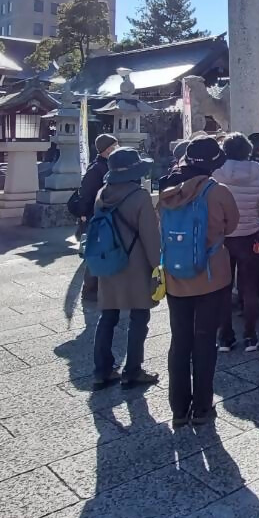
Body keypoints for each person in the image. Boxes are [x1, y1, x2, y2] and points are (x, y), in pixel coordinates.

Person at [157, 136, 240, 426]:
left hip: (175, 274)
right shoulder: (218, 192)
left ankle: (178, 409)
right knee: (205, 339)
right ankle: (203, 407)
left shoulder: (166, 190)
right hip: (211, 273)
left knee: (180, 340)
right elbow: (233, 224)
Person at [88, 147, 163, 390]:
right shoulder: (139, 197)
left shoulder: (102, 194)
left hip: (109, 261)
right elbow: (151, 237)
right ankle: (132, 370)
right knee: (139, 317)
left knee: (107, 315)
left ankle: (102, 369)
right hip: (135, 264)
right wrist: (157, 267)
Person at [213, 133, 259, 353]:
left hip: (223, 236)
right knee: (250, 287)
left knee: (223, 288)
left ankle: (225, 337)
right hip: (250, 234)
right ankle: (250, 336)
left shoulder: (217, 173)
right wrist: (258, 214)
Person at [76, 133, 119, 301]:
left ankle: (102, 288)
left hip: (107, 216)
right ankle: (90, 290)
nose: (117, 148)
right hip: (96, 216)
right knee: (95, 254)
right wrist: (84, 214)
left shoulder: (111, 166)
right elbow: (86, 194)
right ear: (107, 149)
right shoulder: (96, 169)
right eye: (114, 146)